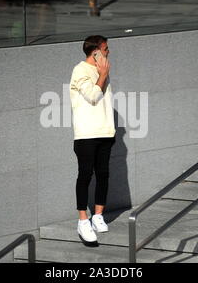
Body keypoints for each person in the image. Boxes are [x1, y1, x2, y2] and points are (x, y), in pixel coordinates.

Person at [69, 35, 116, 247]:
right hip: (86, 134)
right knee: (85, 174)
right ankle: (82, 220)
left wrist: (104, 73)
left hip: (105, 132)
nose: (108, 52)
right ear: (95, 51)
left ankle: (98, 215)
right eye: (105, 49)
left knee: (103, 173)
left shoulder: (102, 71)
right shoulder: (80, 70)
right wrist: (103, 73)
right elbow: (93, 96)